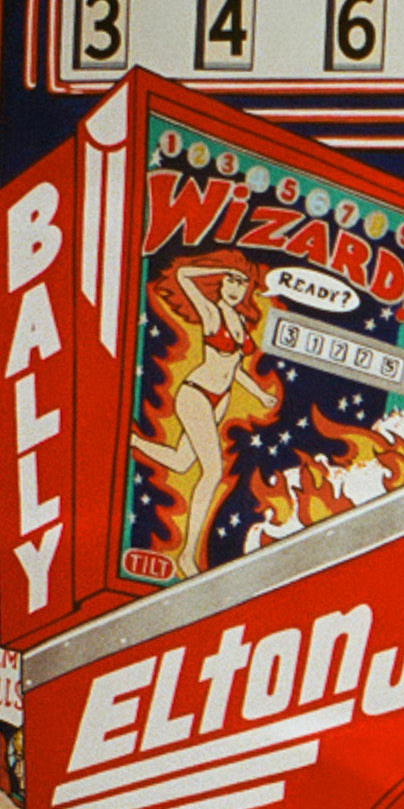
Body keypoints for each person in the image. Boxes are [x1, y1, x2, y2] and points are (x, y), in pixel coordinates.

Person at [128, 248, 280, 579]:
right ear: (220, 281)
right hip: (196, 395)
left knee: (183, 463)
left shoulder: (239, 321)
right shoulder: (210, 313)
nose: (237, 287)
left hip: (219, 399)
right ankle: (186, 556)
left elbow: (235, 368)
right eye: (231, 280)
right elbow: (182, 277)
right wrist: (211, 268)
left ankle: (132, 444)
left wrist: (259, 394)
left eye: (243, 282)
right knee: (212, 473)